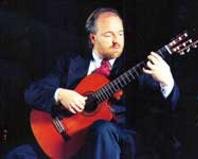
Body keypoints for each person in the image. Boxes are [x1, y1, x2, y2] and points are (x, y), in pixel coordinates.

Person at [5, 7, 180, 159]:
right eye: (109, 35)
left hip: (113, 141)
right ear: (93, 38)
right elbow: (32, 92)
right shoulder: (70, 63)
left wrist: (167, 81)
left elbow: (173, 108)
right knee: (18, 154)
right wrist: (60, 94)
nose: (117, 41)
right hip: (68, 140)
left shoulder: (135, 69)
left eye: (120, 34)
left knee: (102, 129)